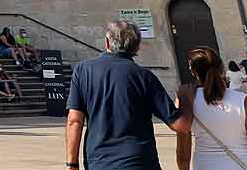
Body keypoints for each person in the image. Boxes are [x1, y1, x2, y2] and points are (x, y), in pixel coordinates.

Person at [66, 19, 190, 170]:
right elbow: (180, 125)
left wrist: (72, 164)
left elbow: (74, 121)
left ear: (107, 42)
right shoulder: (144, 77)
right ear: (137, 46)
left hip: (99, 162)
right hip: (139, 162)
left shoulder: (82, 71)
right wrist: (186, 98)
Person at [178, 45, 247, 170]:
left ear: (193, 71)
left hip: (205, 165)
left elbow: (183, 154)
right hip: (246, 165)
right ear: (222, 68)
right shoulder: (241, 100)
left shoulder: (186, 99)